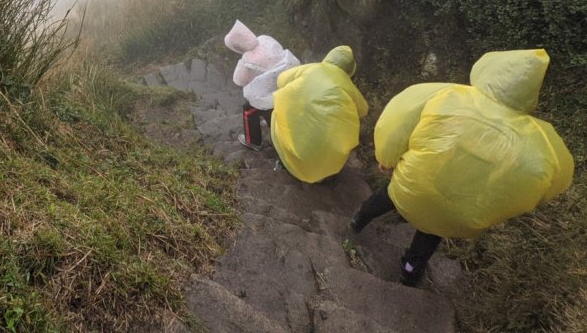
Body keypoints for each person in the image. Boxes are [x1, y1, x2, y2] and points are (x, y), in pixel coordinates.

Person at [349, 48, 573, 287]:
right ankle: (409, 271)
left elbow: (398, 120)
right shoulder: (536, 138)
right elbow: (558, 176)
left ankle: (358, 220)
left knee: (391, 194)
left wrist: (387, 159)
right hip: (459, 212)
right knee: (432, 229)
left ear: (493, 69)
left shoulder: (447, 94)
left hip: (415, 183)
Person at [270, 45, 368, 183]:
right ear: (350, 69)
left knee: (279, 118)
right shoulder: (347, 85)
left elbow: (281, 79)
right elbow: (363, 110)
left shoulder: (312, 68)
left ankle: (285, 163)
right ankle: (321, 176)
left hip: (294, 121)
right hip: (325, 136)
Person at [224, 20, 299, 150]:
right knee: (274, 112)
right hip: (289, 82)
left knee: (249, 110)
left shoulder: (247, 60)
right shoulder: (265, 39)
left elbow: (239, 80)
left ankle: (254, 141)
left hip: (272, 94)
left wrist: (242, 61)